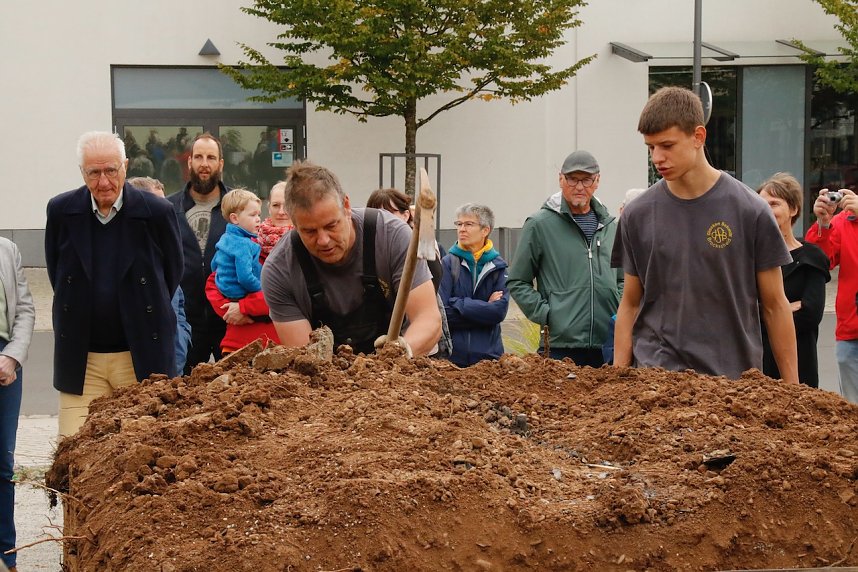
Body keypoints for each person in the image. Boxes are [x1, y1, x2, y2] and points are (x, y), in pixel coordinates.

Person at [611, 86, 798, 383]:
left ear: (698, 136)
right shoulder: (636, 215)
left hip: (732, 384)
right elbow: (630, 303)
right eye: (650, 147)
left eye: (667, 145)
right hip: (656, 383)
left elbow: (775, 305)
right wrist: (617, 383)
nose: (657, 157)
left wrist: (793, 390)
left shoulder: (750, 211)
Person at [45, 131, 182, 437]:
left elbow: (171, 274)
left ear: (125, 166)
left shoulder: (157, 212)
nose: (103, 182)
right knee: (74, 447)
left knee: (142, 448)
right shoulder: (61, 210)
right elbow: (58, 274)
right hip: (82, 359)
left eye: (111, 170)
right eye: (94, 173)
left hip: (141, 356)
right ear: (82, 172)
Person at [261, 160, 441, 356]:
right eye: (309, 231)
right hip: (326, 372)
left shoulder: (391, 236)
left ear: (346, 205)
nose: (323, 240)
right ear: (294, 223)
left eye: (331, 225)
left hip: (400, 366)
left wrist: (401, 353)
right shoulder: (280, 269)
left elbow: (427, 318)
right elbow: (306, 358)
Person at [508, 150, 622, 367]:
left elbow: (623, 278)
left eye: (586, 180)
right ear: (561, 179)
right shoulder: (539, 224)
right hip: (560, 346)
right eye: (572, 179)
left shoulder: (610, 227)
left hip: (608, 343)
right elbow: (517, 280)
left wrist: (618, 309)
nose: (579, 187)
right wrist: (548, 314)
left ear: (597, 181)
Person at [757, 173, 830, 387]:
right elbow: (741, 312)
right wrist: (786, 308)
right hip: (756, 364)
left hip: (799, 363)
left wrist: (768, 312)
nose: (766, 210)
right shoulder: (748, 258)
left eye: (774, 203)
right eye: (761, 204)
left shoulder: (811, 257)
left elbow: (810, 314)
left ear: (793, 209)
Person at [166, 132, 230, 373]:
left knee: (237, 388)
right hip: (185, 322)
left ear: (220, 164)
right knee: (182, 388)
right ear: (190, 161)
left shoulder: (237, 206)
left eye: (211, 158)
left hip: (229, 320)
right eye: (199, 157)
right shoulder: (168, 209)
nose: (205, 164)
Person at [127, 176, 193, 374]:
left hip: (173, 368)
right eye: (157, 204)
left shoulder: (167, 249)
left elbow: (178, 309)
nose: (163, 211)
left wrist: (181, 343)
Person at [0, 238, 34, 572]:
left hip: (5, 361)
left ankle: (5, 555)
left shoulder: (7, 250)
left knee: (2, 461)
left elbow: (24, 311)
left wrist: (12, 357)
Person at [805, 185, 858, 402]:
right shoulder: (845, 220)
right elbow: (820, 261)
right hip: (851, 330)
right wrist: (823, 224)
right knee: (853, 405)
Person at [439, 203, 508, 366]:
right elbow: (443, 314)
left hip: (490, 359)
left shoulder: (498, 266)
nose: (462, 229)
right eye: (459, 224)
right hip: (452, 359)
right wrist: (485, 308)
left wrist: (458, 303)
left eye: (469, 224)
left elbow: (498, 313)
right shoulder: (447, 264)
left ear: (485, 230)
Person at [211, 189, 263, 300]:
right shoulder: (244, 244)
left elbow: (214, 264)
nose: (258, 219)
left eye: (259, 215)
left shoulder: (225, 237)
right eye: (253, 215)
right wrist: (262, 289)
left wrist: (223, 280)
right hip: (240, 294)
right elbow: (245, 278)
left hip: (223, 290)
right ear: (235, 218)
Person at [257, 180, 293, 263]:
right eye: (275, 205)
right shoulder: (252, 245)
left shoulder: (308, 243)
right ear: (269, 208)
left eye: (287, 205)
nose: (281, 212)